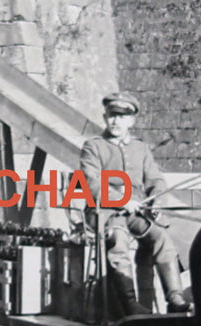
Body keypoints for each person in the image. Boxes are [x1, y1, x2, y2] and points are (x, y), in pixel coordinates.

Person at [79, 92, 187, 314]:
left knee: (162, 238)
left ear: (132, 121)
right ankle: (130, 305)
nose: (116, 121)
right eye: (112, 115)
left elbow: (156, 179)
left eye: (122, 116)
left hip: (136, 212)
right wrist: (121, 200)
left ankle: (175, 298)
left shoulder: (141, 148)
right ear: (105, 116)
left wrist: (156, 200)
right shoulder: (93, 146)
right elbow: (93, 183)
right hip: (103, 212)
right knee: (117, 238)